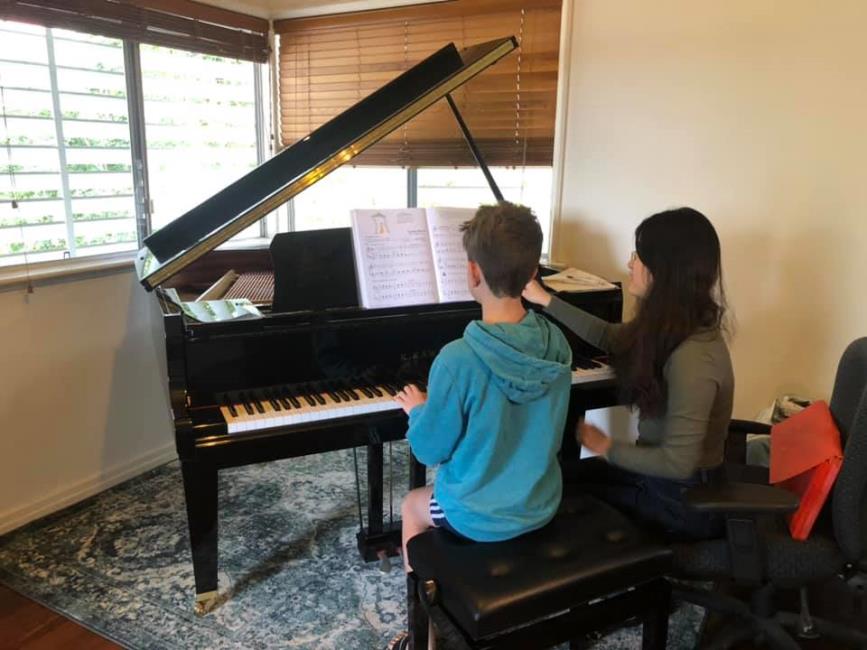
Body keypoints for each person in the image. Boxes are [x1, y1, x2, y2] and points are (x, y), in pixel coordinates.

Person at [386, 201, 573, 650]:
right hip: (540, 502)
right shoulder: (557, 343)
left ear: (472, 272)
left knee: (412, 506)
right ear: (532, 274)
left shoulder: (458, 359)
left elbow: (428, 449)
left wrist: (418, 411)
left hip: (475, 516)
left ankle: (423, 631)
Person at [523, 207, 734, 540]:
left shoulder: (694, 357)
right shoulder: (674, 326)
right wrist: (546, 300)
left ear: (662, 272)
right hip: (664, 483)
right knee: (559, 476)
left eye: (638, 256)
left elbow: (678, 463)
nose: (629, 264)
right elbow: (608, 336)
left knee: (562, 489)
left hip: (681, 502)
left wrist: (606, 446)